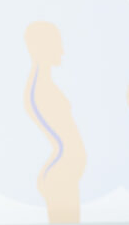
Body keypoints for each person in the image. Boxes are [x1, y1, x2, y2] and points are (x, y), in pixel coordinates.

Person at [23, 21, 87, 223]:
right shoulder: (40, 88)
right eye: (56, 44)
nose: (62, 51)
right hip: (61, 175)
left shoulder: (44, 85)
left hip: (65, 173)